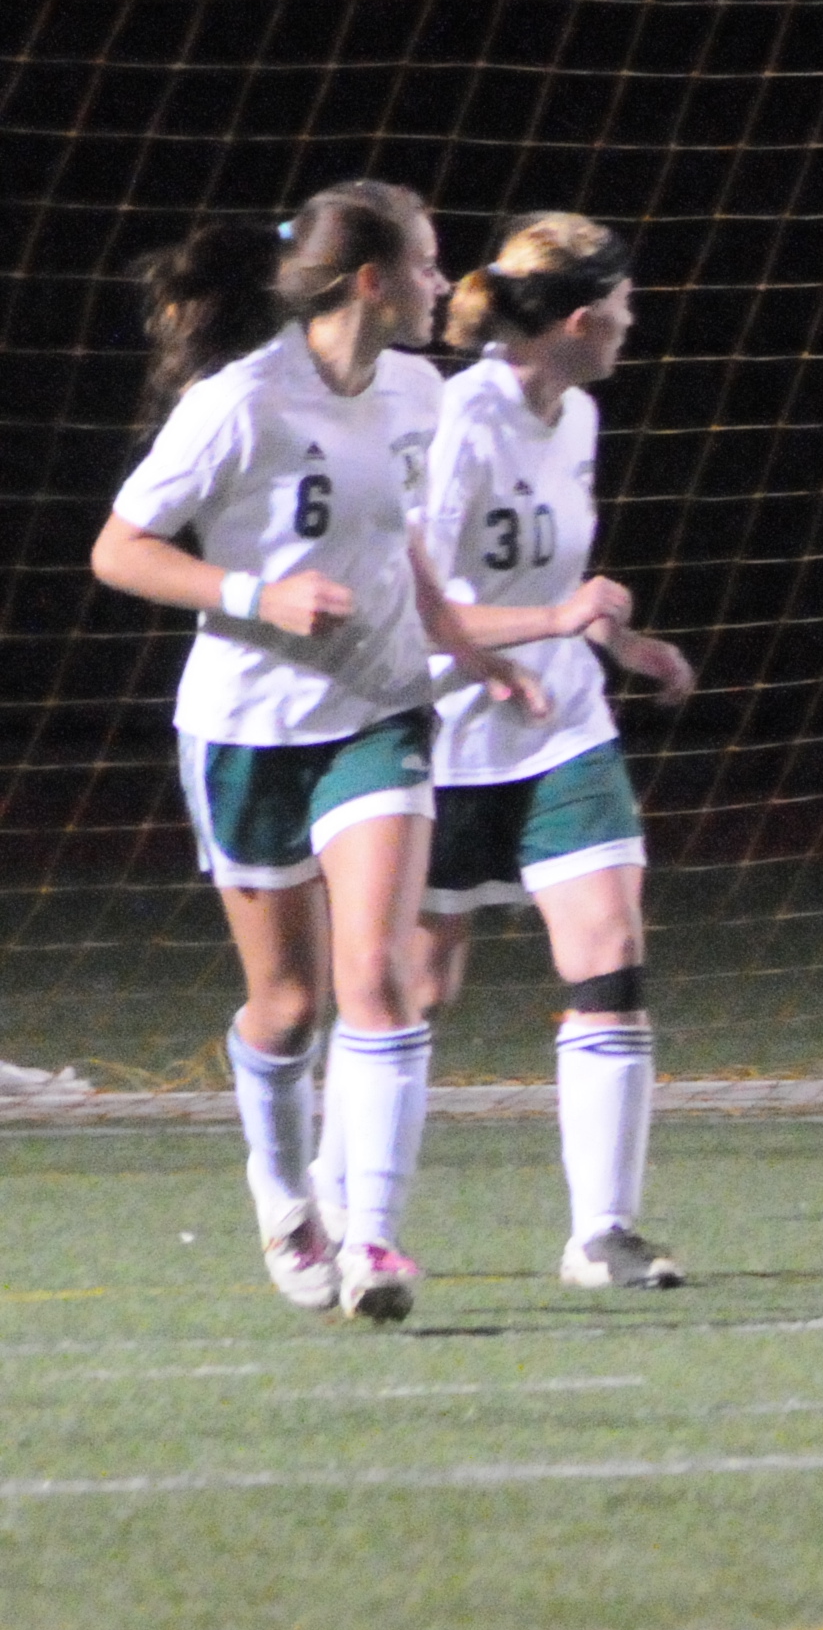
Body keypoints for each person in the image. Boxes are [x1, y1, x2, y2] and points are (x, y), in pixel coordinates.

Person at [92, 184, 542, 1327]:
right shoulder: (239, 402)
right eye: (429, 265)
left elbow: (406, 545)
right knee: (287, 1007)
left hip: (380, 711)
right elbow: (120, 550)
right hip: (247, 730)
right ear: (373, 281)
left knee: (378, 975)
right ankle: (286, 1194)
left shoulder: (418, 391)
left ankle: (374, 1237)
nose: (445, 284)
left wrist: (463, 643)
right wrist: (258, 595)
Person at [412, 214, 704, 1292]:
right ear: (579, 319)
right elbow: (414, 605)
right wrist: (551, 623)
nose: (633, 323)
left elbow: (549, 581)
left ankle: (603, 1234)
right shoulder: (458, 420)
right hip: (446, 735)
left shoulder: (575, 415)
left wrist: (617, 642)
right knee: (412, 990)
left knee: (610, 953)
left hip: (565, 728)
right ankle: (347, 1211)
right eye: (623, 306)